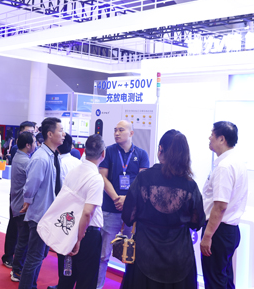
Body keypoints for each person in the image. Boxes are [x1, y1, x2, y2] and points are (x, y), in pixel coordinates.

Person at [121, 129, 205, 289]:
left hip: (145, 253)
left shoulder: (144, 178)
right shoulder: (190, 185)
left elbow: (128, 216)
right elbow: (197, 222)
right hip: (179, 256)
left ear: (160, 149)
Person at [97, 120, 149, 289]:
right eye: (115, 130)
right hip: (110, 210)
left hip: (132, 212)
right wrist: (116, 198)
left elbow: (142, 182)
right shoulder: (108, 152)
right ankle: (98, 285)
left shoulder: (141, 154)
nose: (116, 133)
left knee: (131, 254)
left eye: (121, 130)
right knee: (103, 254)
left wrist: (127, 199)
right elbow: (102, 177)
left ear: (131, 133)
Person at [18, 117, 65, 289]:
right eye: (60, 130)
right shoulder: (41, 158)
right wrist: (27, 201)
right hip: (40, 215)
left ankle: (31, 285)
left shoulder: (52, 155)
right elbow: (31, 185)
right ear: (50, 134)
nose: (63, 134)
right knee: (34, 256)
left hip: (48, 214)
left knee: (40, 255)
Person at [200, 121, 248, 289]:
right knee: (224, 279)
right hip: (229, 231)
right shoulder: (237, 162)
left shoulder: (224, 167)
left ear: (221, 139)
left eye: (212, 135)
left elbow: (220, 206)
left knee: (215, 281)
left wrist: (207, 236)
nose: (209, 138)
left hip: (218, 232)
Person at [56, 134, 106, 289]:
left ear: (85, 150)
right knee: (86, 281)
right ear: (103, 154)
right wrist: (78, 239)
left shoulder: (73, 171)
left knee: (66, 278)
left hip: (68, 227)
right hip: (86, 234)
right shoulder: (96, 178)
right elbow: (88, 212)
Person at [2, 121, 36, 271]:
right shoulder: (24, 158)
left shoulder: (21, 154)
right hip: (21, 202)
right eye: (29, 132)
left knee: (20, 234)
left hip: (18, 199)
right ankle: (14, 264)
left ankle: (15, 262)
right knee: (19, 234)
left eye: (33, 132)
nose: (32, 135)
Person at [8, 131, 37, 282]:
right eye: (34, 142)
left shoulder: (18, 156)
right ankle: (17, 270)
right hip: (22, 206)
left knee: (22, 239)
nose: (36, 145)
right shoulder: (26, 161)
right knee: (23, 240)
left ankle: (17, 268)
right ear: (28, 145)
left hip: (17, 203)